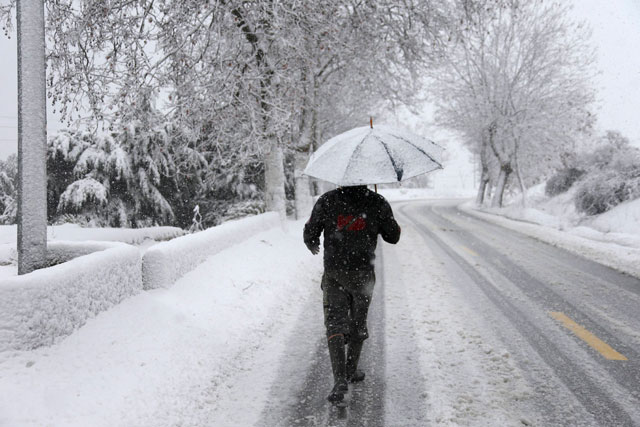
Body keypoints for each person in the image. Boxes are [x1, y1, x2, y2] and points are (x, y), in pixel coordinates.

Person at [303, 185, 401, 403]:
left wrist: (313, 243)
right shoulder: (377, 201)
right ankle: (351, 370)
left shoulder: (327, 200)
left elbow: (310, 233)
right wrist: (381, 215)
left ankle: (339, 379)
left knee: (335, 323)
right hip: (363, 274)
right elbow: (393, 236)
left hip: (335, 271)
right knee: (358, 321)